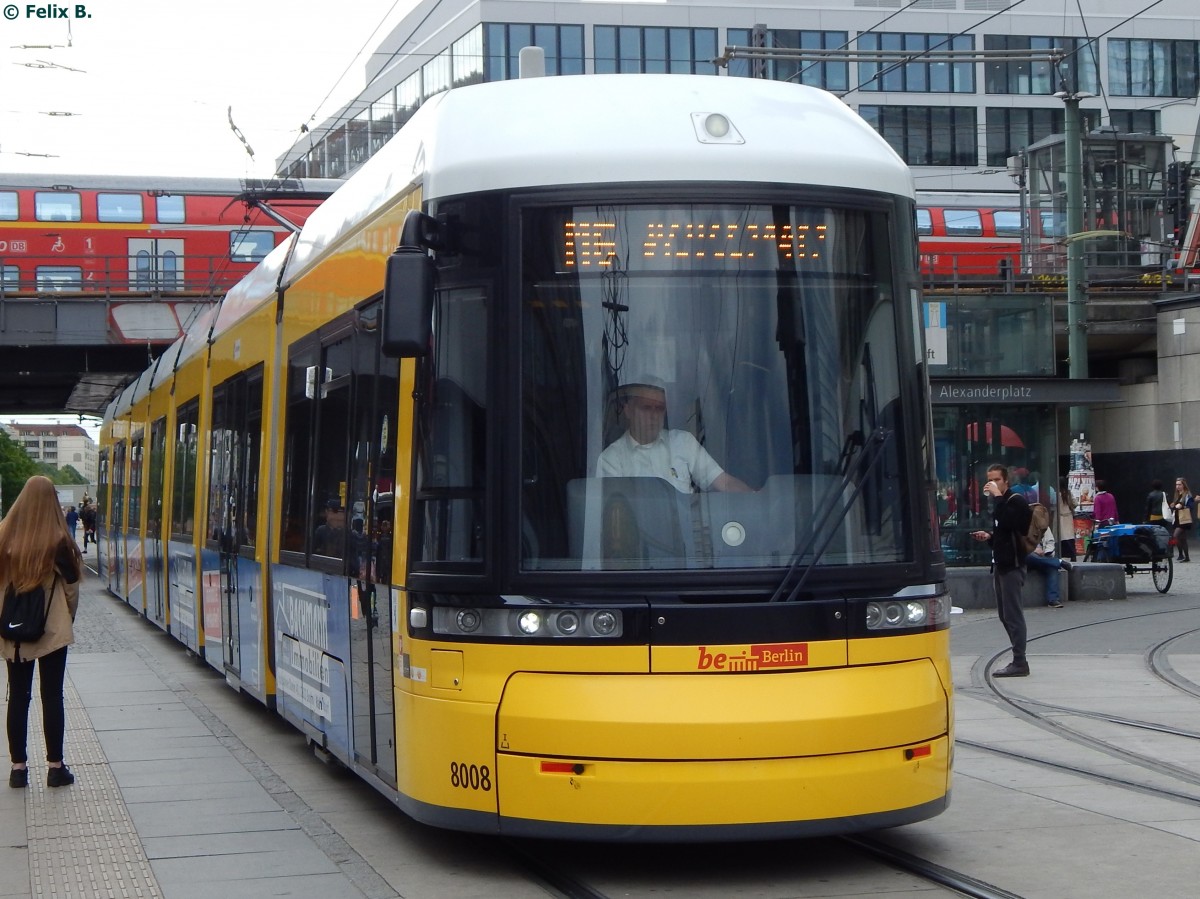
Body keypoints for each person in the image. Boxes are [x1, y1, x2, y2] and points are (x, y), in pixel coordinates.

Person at [0, 475, 82, 789]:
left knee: (17, 697)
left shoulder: (4, 536)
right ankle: (55, 767)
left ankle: (18, 769)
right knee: (52, 696)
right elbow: (72, 589)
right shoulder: (59, 541)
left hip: (13, 631)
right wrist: (65, 618)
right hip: (50, 631)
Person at [597, 381, 752, 493]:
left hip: (690, 533)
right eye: (646, 408)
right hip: (638, 536)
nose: (653, 415)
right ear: (628, 411)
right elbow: (614, 513)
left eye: (659, 409)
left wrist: (754, 498)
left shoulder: (683, 442)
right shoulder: (610, 459)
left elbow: (722, 482)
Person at [971, 463, 1033, 677]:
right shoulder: (1001, 504)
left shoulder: (1015, 501)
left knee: (1013, 614)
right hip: (1001, 563)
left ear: (1006, 481)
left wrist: (997, 497)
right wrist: (989, 538)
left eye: (997, 479)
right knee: (1004, 615)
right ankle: (1018, 657)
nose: (992, 484)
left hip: (1013, 565)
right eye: (989, 480)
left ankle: (1020, 661)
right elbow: (1004, 532)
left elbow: (1011, 522)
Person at [1026, 525, 1072, 608]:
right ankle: (1059, 562)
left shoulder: (1044, 526)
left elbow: (1051, 542)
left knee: (1052, 567)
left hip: (1043, 557)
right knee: (1030, 556)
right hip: (1027, 558)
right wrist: (1034, 550)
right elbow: (1020, 544)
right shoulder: (1022, 524)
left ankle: (1053, 600)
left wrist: (1046, 552)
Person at [1170, 477, 1194, 562]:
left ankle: (1173, 551)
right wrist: (1173, 506)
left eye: (1179, 484)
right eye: (1176, 484)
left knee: (1175, 536)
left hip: (1183, 519)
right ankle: (1185, 556)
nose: (1178, 486)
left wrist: (1182, 506)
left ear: (1183, 485)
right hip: (1177, 519)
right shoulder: (1177, 495)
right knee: (1182, 539)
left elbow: (1191, 507)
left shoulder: (1187, 494)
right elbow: (1175, 508)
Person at [1056, 477, 1077, 561]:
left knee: (1062, 536)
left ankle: (1062, 554)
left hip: (1060, 517)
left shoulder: (1057, 494)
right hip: (1068, 517)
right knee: (1070, 536)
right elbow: (1075, 503)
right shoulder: (1068, 493)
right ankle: (1072, 555)